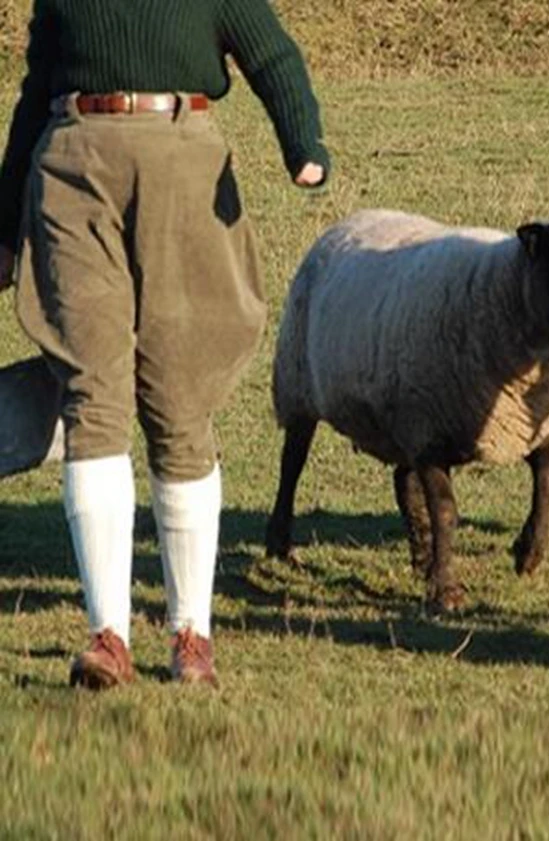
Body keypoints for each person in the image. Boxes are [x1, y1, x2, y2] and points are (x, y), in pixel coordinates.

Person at [0, 0, 330, 689]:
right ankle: (108, 636)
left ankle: (191, 635)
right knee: (93, 392)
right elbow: (35, 92)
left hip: (182, 158)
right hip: (72, 161)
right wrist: (5, 229)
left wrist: (304, 145)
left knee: (178, 399)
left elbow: (270, 54)